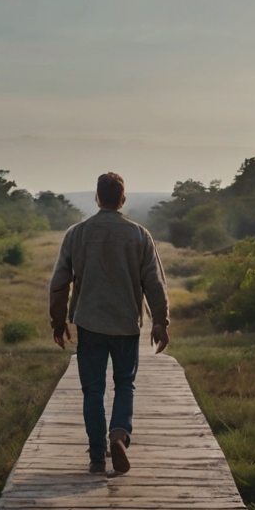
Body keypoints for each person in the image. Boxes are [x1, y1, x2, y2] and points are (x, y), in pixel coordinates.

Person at [49, 172, 169, 475]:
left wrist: (58, 320)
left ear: (97, 199)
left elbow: (60, 282)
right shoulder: (139, 235)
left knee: (93, 390)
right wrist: (161, 322)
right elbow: (154, 283)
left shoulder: (77, 234)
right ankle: (118, 434)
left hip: (89, 323)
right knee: (125, 383)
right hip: (126, 323)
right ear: (123, 199)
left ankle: (97, 458)